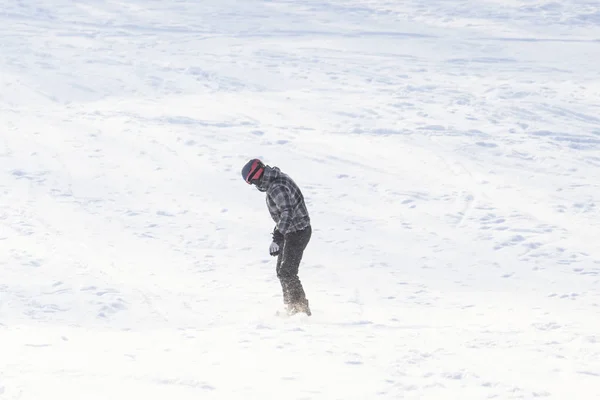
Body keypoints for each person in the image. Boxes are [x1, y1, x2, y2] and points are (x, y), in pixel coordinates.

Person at [241, 158, 312, 316]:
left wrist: (278, 237)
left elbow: (287, 212)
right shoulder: (276, 179)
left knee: (287, 271)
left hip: (297, 232)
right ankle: (291, 307)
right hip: (292, 230)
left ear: (257, 174)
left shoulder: (276, 187)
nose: (254, 185)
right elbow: (284, 214)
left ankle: (300, 309)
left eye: (252, 181)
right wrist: (278, 234)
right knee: (282, 271)